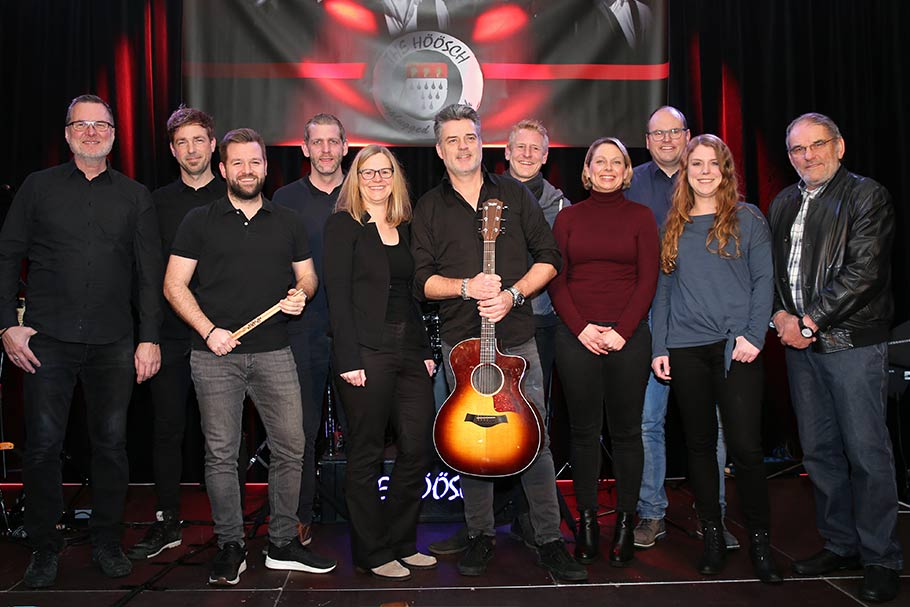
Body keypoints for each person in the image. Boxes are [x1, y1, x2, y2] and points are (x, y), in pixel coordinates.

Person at [411, 104, 587, 582]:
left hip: (515, 341)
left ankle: (550, 540)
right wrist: (465, 287)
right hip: (459, 343)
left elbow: (550, 258)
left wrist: (511, 295)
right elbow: (421, 281)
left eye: (469, 137)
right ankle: (480, 534)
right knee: (470, 440)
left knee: (536, 439)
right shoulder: (428, 206)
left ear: (481, 141)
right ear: (439, 150)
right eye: (452, 140)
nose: (462, 147)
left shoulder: (513, 194)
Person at [0, 94, 163, 588]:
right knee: (43, 447)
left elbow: (148, 276)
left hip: (115, 342)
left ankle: (108, 542)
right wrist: (7, 324)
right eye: (82, 124)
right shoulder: (37, 188)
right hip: (46, 341)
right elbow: (8, 255)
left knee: (111, 446)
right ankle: (45, 547)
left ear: (114, 133)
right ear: (68, 131)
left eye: (101, 124)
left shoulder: (135, 195)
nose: (92, 131)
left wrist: (149, 339)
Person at [163, 128, 336, 586]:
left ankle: (282, 543)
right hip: (213, 355)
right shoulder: (199, 220)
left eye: (254, 162)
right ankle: (231, 546)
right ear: (222, 169)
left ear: (265, 167)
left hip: (276, 351)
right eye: (236, 163)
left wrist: (300, 294)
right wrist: (208, 330)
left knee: (292, 447)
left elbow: (309, 278)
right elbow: (173, 285)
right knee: (222, 454)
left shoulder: (287, 220)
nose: (246, 170)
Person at [768, 113, 902, 602]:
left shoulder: (867, 196)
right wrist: (781, 317)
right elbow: (774, 274)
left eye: (817, 145)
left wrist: (808, 323)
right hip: (800, 349)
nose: (808, 155)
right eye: (798, 149)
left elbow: (863, 272)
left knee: (867, 453)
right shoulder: (783, 202)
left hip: (852, 346)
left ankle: (882, 557)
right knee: (819, 454)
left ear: (839, 146)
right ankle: (841, 544)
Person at [650, 134, 781, 583]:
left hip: (737, 348)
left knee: (746, 449)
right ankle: (711, 537)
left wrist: (753, 336)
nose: (704, 171)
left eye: (713, 164)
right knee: (701, 448)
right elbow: (664, 291)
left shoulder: (748, 218)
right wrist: (659, 347)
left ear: (726, 171)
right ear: (684, 173)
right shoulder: (674, 224)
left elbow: (765, 281)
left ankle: (761, 544)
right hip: (686, 349)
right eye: (696, 165)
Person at [626, 106, 739, 551]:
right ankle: (651, 513)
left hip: (703, 323)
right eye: (658, 133)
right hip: (649, 316)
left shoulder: (710, 180)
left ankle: (715, 515)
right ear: (648, 140)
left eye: (675, 132)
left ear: (688, 136)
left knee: (711, 427)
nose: (668, 140)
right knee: (647, 421)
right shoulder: (631, 182)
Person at [323, 145, 436, 581]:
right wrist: (348, 357)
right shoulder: (342, 226)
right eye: (366, 172)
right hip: (365, 353)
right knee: (366, 453)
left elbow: (411, 297)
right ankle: (372, 551)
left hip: (409, 350)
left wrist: (425, 351)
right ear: (355, 178)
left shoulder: (404, 226)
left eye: (383, 171)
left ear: (394, 176)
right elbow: (337, 298)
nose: (375, 178)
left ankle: (402, 541)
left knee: (417, 447)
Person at [548, 136, 657, 566]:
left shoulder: (642, 217)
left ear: (627, 171)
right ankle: (588, 524)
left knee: (627, 432)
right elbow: (557, 278)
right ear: (587, 170)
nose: (608, 168)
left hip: (627, 339)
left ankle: (626, 525)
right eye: (600, 162)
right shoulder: (568, 218)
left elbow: (648, 280)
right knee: (582, 432)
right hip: (577, 337)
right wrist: (582, 329)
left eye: (617, 162)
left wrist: (621, 331)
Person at [127, 106, 224, 561]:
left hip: (224, 339)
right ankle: (166, 520)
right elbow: (148, 275)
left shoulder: (235, 195)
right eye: (182, 142)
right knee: (166, 430)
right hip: (168, 337)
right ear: (172, 150)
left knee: (223, 436)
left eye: (198, 140)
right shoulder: (155, 201)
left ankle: (230, 528)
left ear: (212, 144)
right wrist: (146, 336)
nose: (191, 149)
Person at [272, 113, 348, 546]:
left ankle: (363, 515)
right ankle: (298, 516)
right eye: (316, 142)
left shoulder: (362, 193)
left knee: (362, 430)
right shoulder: (284, 199)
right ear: (304, 148)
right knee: (297, 431)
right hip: (300, 331)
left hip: (354, 331)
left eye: (332, 142)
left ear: (344, 146)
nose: (324, 150)